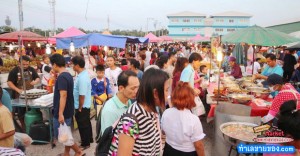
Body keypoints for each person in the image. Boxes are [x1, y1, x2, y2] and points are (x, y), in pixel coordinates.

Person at [109, 68, 169, 155]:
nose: (169, 94)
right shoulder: (131, 121)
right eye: (166, 90)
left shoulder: (151, 112)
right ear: (155, 93)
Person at [50, 54, 84, 156]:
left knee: (64, 135)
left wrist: (60, 113)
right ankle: (66, 153)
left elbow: (63, 95)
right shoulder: (68, 74)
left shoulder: (62, 77)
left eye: (52, 65)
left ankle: (78, 151)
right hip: (68, 109)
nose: (52, 67)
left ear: (55, 64)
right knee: (66, 132)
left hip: (63, 111)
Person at [162, 82, 205, 156]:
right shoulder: (193, 119)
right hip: (187, 153)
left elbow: (163, 132)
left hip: (168, 150)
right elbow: (198, 146)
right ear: (191, 99)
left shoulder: (166, 112)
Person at [7, 55, 40, 130]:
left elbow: (37, 77)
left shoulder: (31, 69)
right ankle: (24, 128)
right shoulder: (14, 71)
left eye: (27, 64)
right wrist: (17, 90)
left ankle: (35, 127)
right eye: (23, 64)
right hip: (19, 95)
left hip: (31, 94)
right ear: (19, 63)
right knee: (21, 113)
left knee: (34, 110)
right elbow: (9, 83)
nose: (25, 66)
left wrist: (35, 81)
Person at [71, 56, 93, 149]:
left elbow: (82, 95)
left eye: (73, 65)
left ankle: (85, 143)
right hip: (84, 104)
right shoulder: (81, 75)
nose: (72, 67)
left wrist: (80, 107)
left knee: (83, 124)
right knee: (86, 122)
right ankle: (89, 138)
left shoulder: (82, 78)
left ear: (77, 65)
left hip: (82, 105)